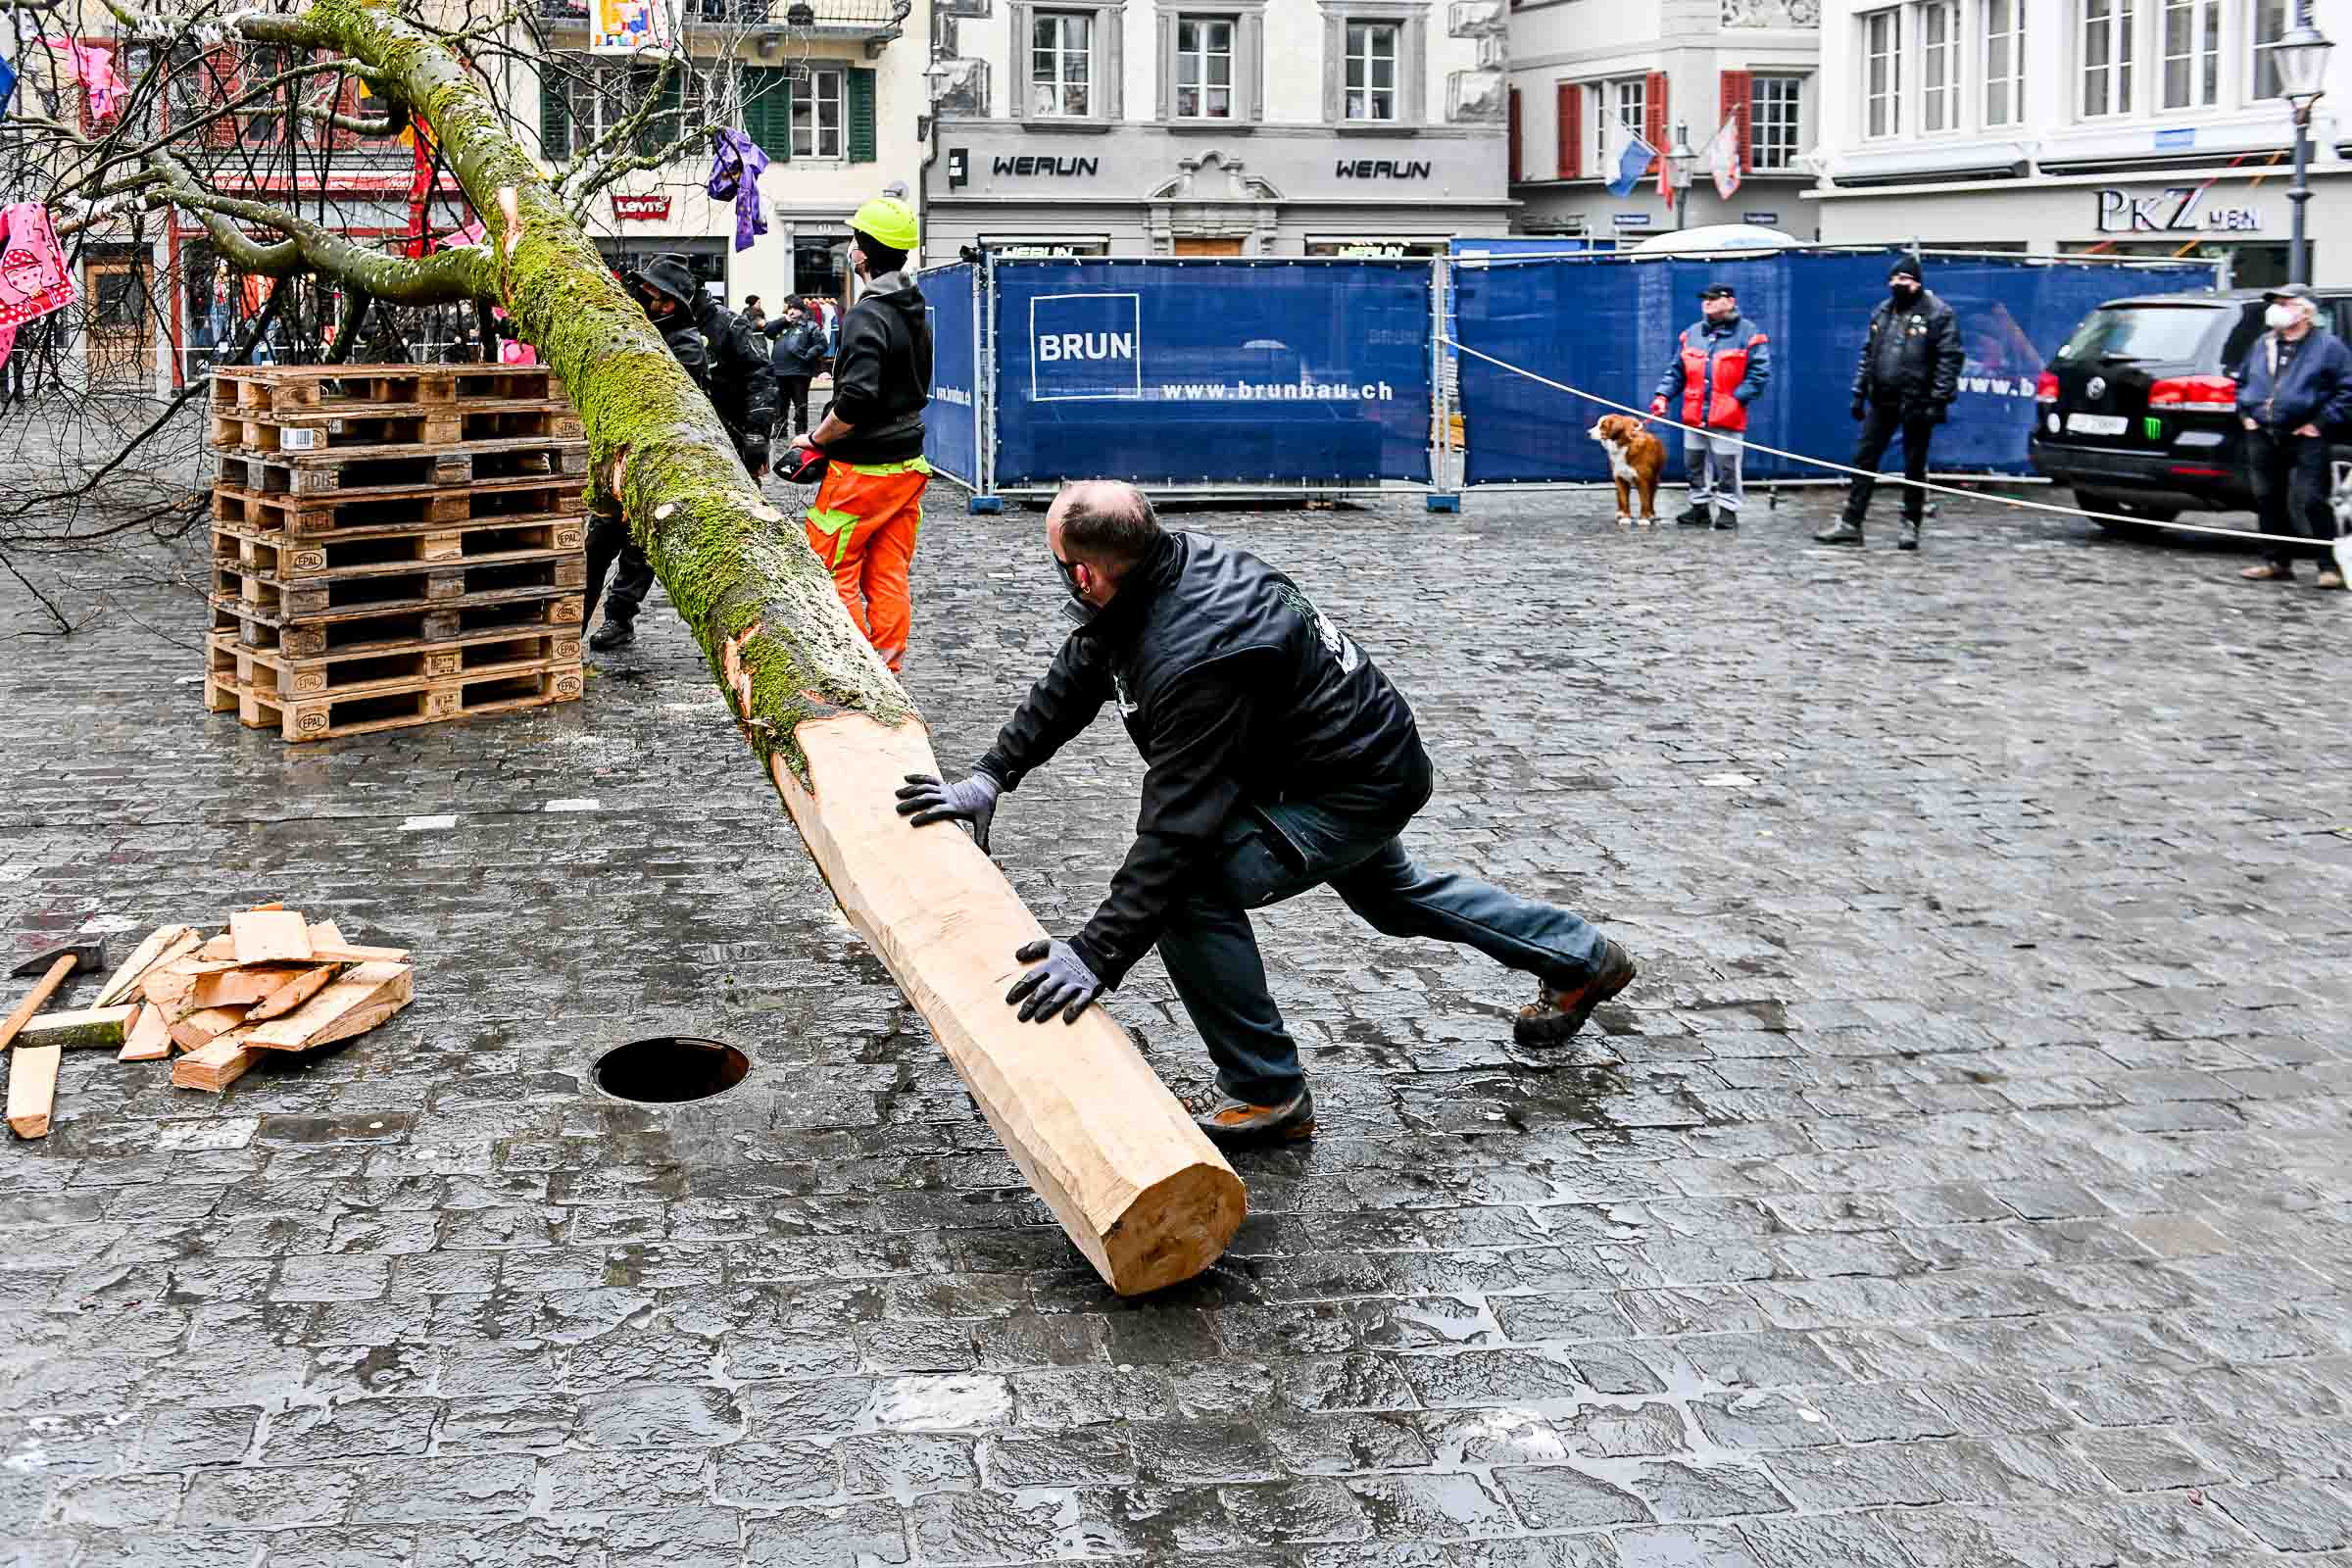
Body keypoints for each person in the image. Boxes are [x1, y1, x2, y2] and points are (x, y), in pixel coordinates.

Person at [894, 481, 1639, 1148]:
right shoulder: (1162, 567)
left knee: (1187, 892)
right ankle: (1580, 957)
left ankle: (1266, 1092)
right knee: (1393, 899)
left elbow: (1179, 829)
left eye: (1060, 565)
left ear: (1085, 573)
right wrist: (994, 773)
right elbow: (1085, 665)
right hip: (1330, 760)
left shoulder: (1196, 655)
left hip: (1350, 785)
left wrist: (1095, 953)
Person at [788, 198, 933, 673]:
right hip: (908, 465)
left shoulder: (868, 314)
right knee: (889, 573)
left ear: (864, 252)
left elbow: (855, 401)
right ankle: (887, 671)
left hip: (863, 472)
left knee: (832, 570)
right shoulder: (913, 307)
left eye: (855, 240)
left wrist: (817, 439)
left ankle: (853, 674)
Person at [584, 261, 712, 651]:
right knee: (597, 544)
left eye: (651, 294)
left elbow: (670, 403)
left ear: (669, 304)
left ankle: (619, 617)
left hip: (658, 465)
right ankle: (571, 621)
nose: (643, 298)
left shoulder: (685, 344)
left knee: (638, 551)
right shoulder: (635, 331)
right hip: (617, 460)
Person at [1815, 254, 1963, 552]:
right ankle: (1851, 523)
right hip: (1881, 398)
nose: (1898, 284)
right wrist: (1859, 393)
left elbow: (1950, 358)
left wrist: (1938, 398)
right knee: (1864, 459)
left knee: (1914, 465)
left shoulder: (1938, 313)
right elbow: (1868, 355)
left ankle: (1911, 524)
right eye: (1894, 279)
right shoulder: (1882, 312)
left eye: (1904, 279)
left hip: (1918, 400)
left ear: (1917, 282)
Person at [2234, 282, 2352, 591]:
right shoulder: (2263, 344)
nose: (2278, 308)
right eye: (2278, 302)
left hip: (2307, 434)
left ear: (2305, 311)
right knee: (2267, 498)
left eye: (2287, 303)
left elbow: (2347, 390)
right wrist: (2246, 415)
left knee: (2312, 499)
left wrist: (2321, 423)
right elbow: (2243, 381)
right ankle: (2275, 561)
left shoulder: (2328, 347)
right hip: (2262, 432)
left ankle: (2328, 566)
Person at [1650, 281, 1771, 530]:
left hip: (1728, 414)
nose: (1707, 302)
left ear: (1730, 301)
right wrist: (1662, 396)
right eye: (1705, 298)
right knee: (1694, 462)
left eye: (1714, 298)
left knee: (1727, 465)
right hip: (1694, 413)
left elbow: (1759, 374)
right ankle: (1699, 507)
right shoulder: (1691, 334)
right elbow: (1676, 372)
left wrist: (1737, 400)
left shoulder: (1750, 334)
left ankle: (1728, 510)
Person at [761, 296, 827, 441]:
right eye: (790, 308)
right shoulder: (783, 325)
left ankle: (801, 431)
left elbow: (822, 344)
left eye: (795, 309)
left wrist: (807, 355)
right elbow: (767, 330)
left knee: (800, 404)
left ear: (802, 311)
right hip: (780, 371)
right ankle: (780, 430)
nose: (791, 311)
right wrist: (783, 320)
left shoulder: (810, 326)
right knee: (780, 404)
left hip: (799, 372)